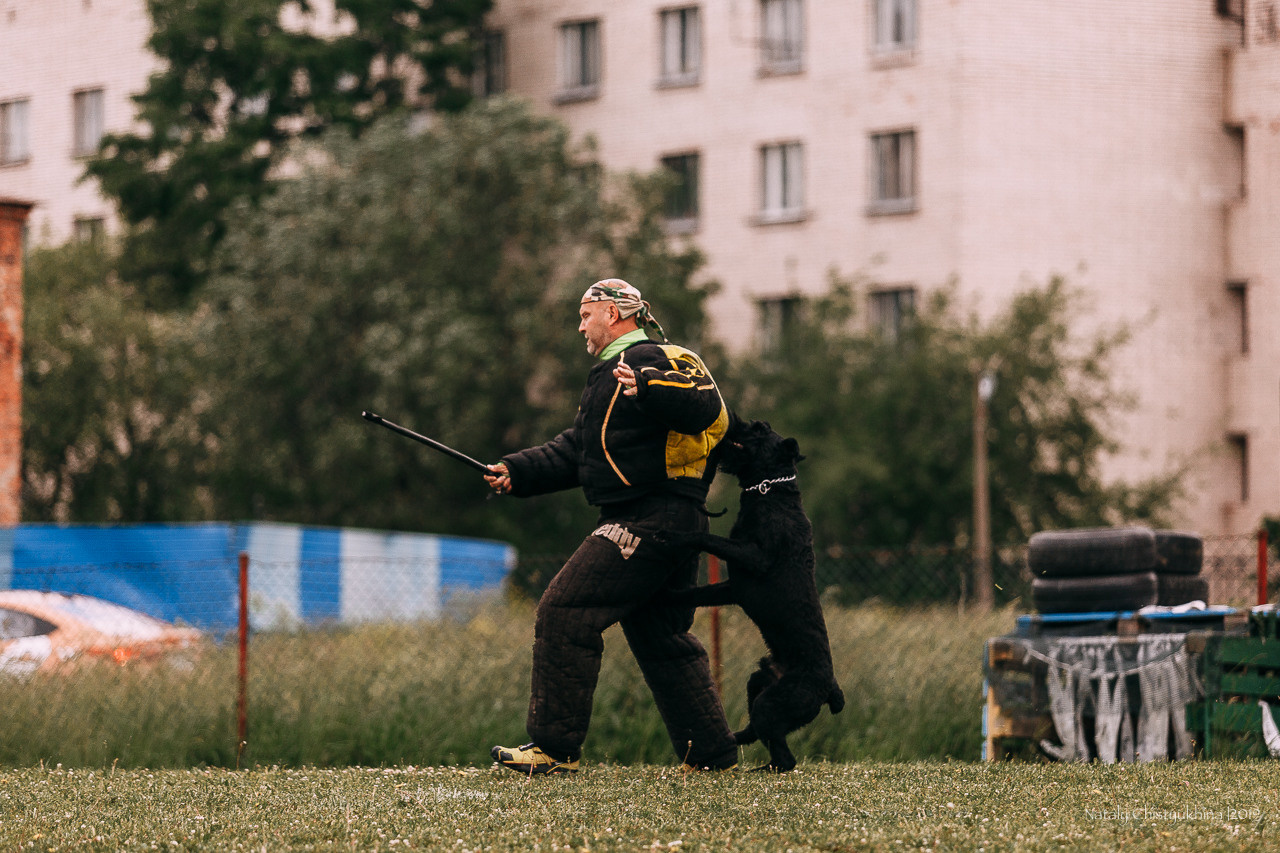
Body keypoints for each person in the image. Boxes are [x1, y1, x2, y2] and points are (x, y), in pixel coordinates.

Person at [486, 278, 738, 775]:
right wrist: (519, 470)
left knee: (565, 611)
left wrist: (647, 386)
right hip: (666, 520)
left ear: (617, 314)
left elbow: (704, 405)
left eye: (586, 314)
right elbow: (578, 448)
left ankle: (554, 751)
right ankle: (712, 755)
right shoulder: (607, 376)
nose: (580, 325)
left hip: (651, 516)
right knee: (660, 635)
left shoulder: (654, 358)